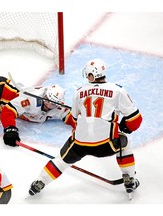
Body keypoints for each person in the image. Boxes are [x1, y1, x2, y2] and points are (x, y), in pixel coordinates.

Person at [28, 58, 143, 198]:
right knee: (124, 143)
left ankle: (39, 182)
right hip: (106, 145)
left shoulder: (79, 92)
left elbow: (75, 119)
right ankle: (130, 179)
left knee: (61, 160)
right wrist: (126, 126)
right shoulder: (117, 90)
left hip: (80, 144)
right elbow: (135, 119)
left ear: (92, 75)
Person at [0, 84, 76, 147]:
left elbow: (71, 116)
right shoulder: (31, 100)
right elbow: (8, 111)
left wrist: (81, 128)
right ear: (44, 95)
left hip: (0, 106)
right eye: (47, 100)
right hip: (1, 90)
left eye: (53, 104)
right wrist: (10, 129)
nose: (48, 106)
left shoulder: (59, 106)